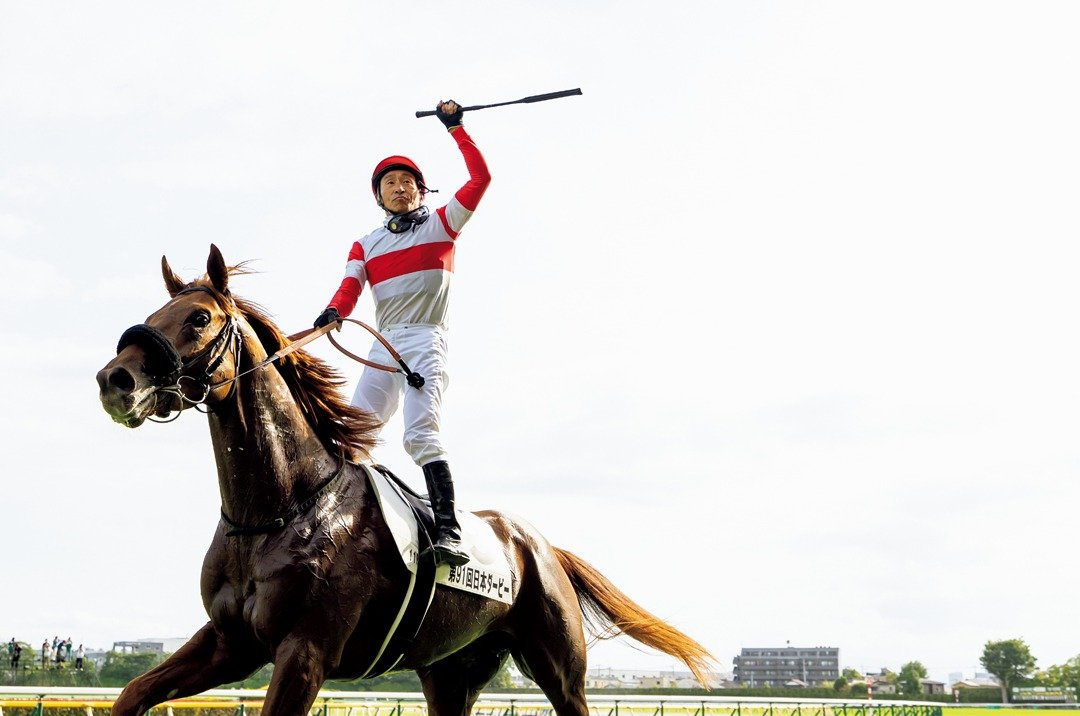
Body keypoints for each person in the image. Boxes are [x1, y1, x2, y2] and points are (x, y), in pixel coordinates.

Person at [314, 99, 491, 567]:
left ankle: (449, 531)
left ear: (420, 192)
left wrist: (457, 128)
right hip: (384, 341)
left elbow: (480, 180)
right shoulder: (366, 243)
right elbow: (350, 286)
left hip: (424, 339)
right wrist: (333, 310)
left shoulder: (443, 223)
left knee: (420, 433)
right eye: (390, 183)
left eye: (407, 183)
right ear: (379, 196)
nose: (399, 188)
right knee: (349, 435)